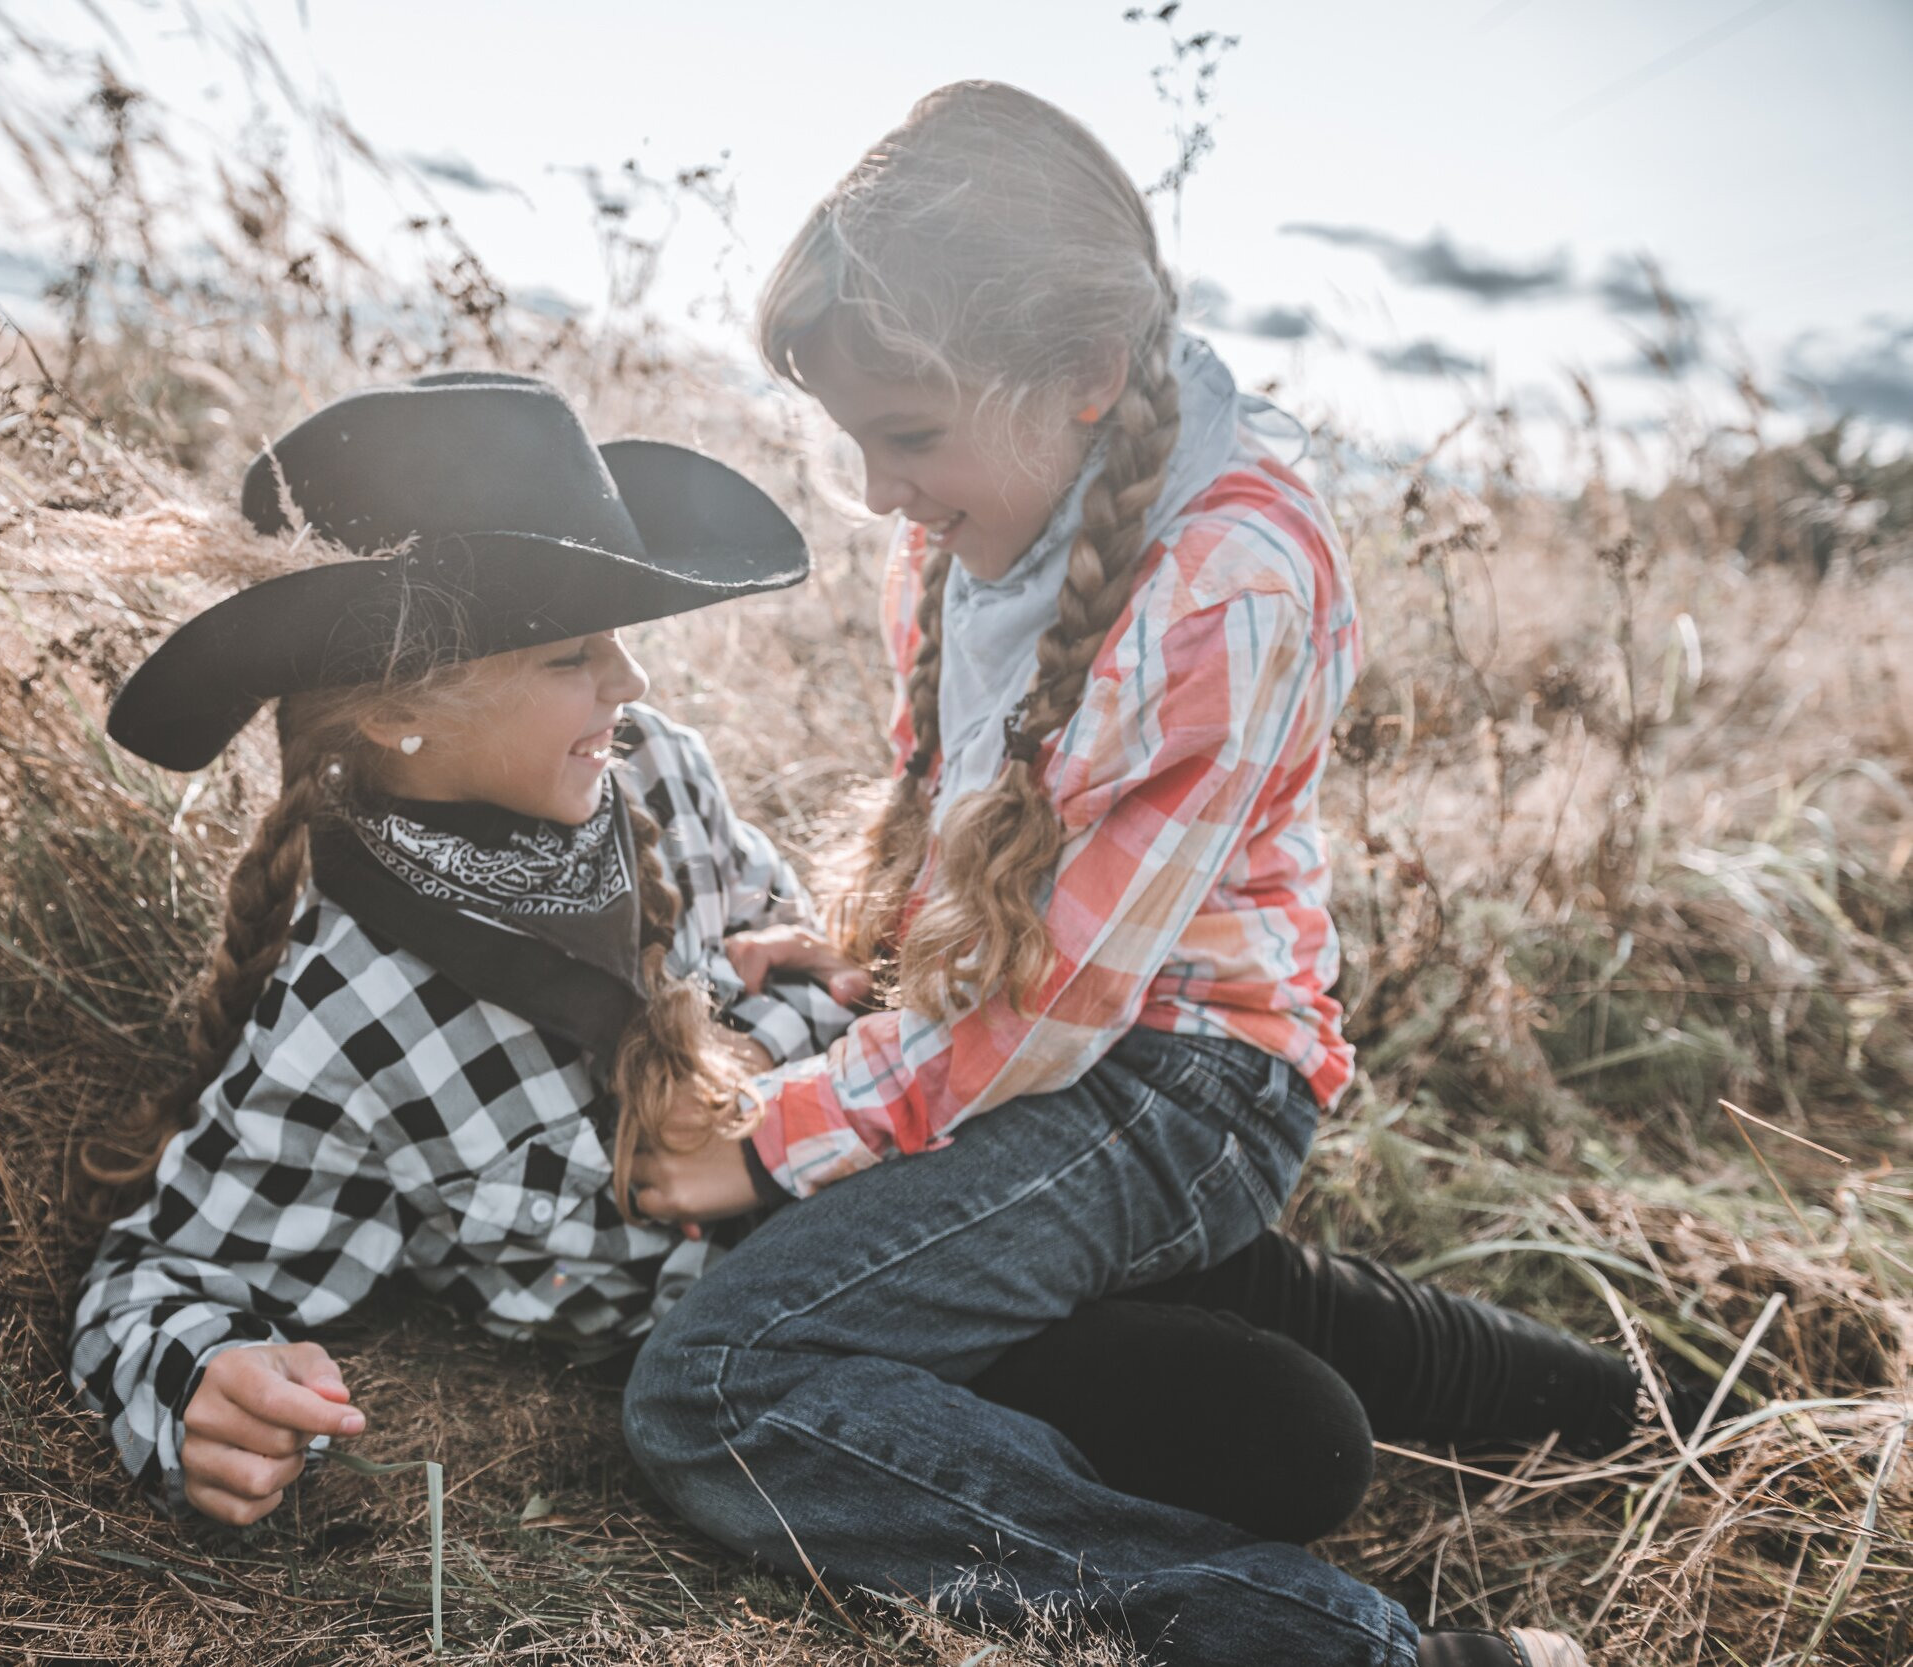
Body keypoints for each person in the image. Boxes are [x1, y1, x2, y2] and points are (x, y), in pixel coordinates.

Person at [67, 375, 1679, 1666]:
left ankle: (1680, 1414)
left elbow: (818, 967)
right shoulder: (352, 1017)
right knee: (1288, 1443)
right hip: (824, 1331)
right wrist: (195, 1383)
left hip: (900, 1192)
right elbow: (165, 1271)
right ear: (403, 706)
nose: (628, 679)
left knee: (1276, 1297)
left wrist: (834, 975)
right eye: (572, 651)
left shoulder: (655, 779)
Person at [611, 81, 1593, 1667]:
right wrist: (879, 973)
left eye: (907, 438)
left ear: (1080, 379)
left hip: (1178, 1087)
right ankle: (1298, 1371)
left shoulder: (1234, 580)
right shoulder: (964, 531)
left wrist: (782, 1141)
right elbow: (992, 855)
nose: (876, 492)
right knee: (1207, 1360)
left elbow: (1067, 1000)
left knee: (720, 1389)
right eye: (854, 440)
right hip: (1040, 1047)